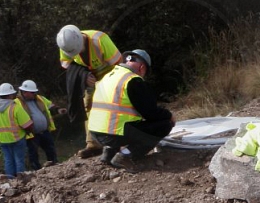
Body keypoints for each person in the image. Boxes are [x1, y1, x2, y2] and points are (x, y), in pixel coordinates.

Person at [88, 49, 174, 172]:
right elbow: (151, 113)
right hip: (113, 133)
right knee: (164, 125)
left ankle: (108, 153)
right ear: (142, 68)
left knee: (123, 126)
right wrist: (169, 115)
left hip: (95, 132)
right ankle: (125, 156)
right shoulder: (133, 80)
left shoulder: (108, 76)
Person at [56, 25, 122, 158]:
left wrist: (109, 83)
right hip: (89, 77)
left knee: (115, 105)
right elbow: (69, 66)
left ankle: (119, 140)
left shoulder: (100, 40)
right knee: (89, 106)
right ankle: (93, 144)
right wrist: (84, 76)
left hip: (109, 74)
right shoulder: (65, 45)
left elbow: (119, 64)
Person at [17, 80, 67, 169]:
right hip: (31, 134)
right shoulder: (17, 103)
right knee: (33, 154)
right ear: (24, 92)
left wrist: (58, 110)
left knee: (51, 150)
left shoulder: (40, 98)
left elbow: (50, 106)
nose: (34, 94)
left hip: (44, 132)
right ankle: (37, 171)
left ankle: (54, 167)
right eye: (32, 92)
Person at [0, 83, 33, 178]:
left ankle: (10, 181)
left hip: (2, 140)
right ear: (10, 95)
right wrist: (30, 131)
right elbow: (28, 125)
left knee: (8, 160)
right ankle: (20, 180)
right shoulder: (15, 107)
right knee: (19, 160)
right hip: (17, 138)